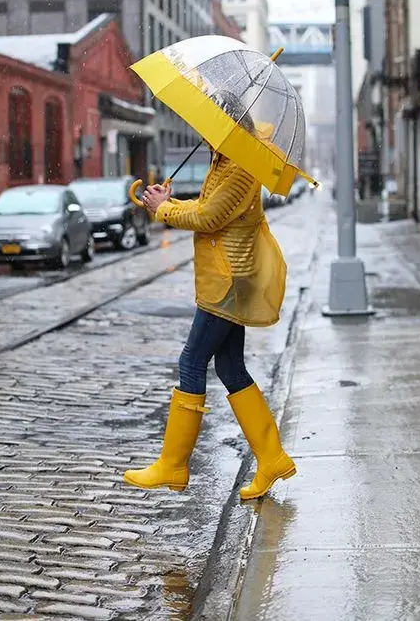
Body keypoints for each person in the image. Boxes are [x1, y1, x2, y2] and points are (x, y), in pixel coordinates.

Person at [122, 92, 296, 501]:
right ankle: (272, 458)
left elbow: (210, 217)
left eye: (210, 121)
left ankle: (173, 464)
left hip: (230, 279)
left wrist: (165, 210)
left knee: (192, 360)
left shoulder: (241, 164)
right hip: (226, 277)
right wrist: (169, 201)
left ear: (227, 122)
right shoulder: (226, 156)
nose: (203, 129)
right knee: (231, 368)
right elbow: (204, 206)